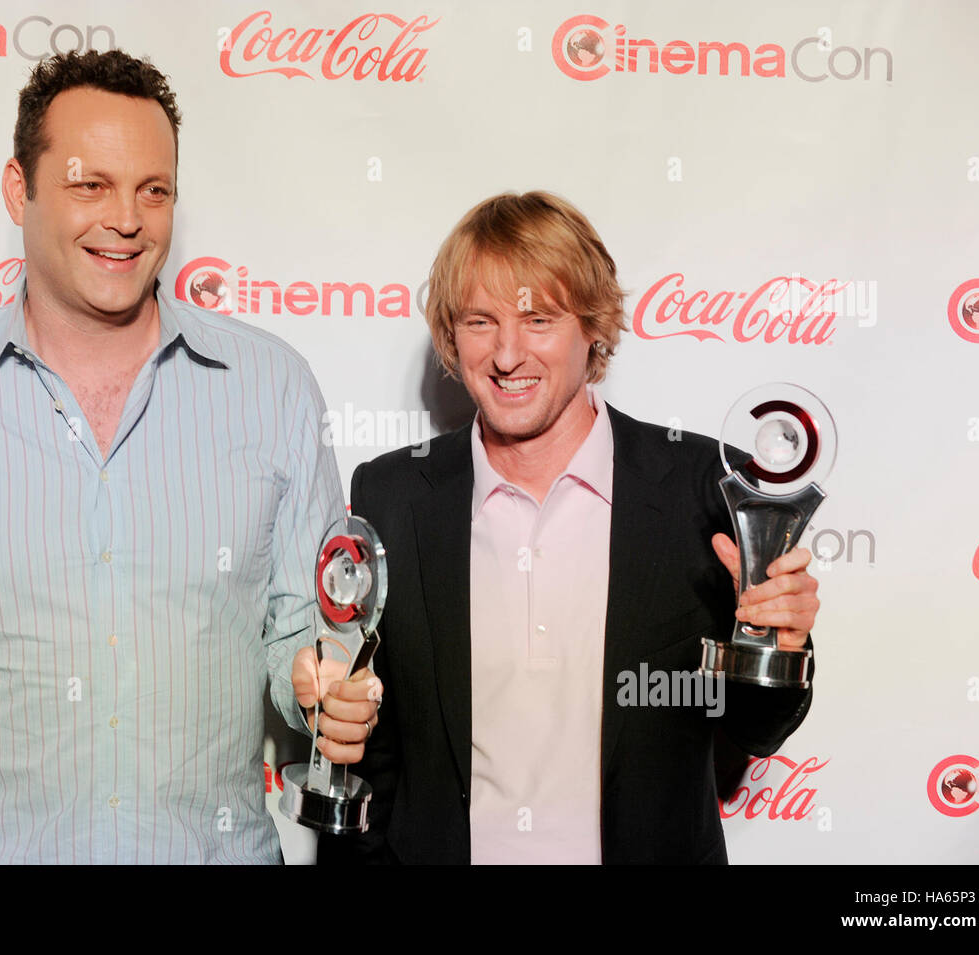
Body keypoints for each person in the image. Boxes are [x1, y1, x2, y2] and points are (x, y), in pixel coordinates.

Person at [0, 49, 376, 865]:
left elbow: (303, 635)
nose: (126, 219)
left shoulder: (273, 389)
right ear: (18, 190)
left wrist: (321, 683)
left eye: (153, 190)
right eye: (89, 185)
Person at [318, 191, 819, 864]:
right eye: (479, 321)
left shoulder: (702, 486)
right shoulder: (392, 493)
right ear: (450, 335)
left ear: (594, 326)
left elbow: (755, 730)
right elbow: (370, 746)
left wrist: (778, 643)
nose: (506, 353)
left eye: (538, 318)